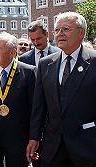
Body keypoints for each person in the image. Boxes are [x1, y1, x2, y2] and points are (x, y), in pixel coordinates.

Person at [26, 12, 96, 167]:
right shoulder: (45, 64)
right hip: (52, 148)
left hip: (87, 147)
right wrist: (34, 137)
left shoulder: (94, 61)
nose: (60, 34)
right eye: (57, 30)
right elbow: (39, 106)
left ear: (82, 32)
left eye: (66, 29)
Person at [0, 32, 36, 167]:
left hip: (19, 138)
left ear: (12, 52)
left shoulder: (29, 72)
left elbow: (35, 108)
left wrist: (33, 137)